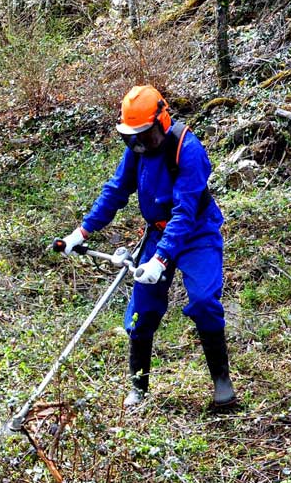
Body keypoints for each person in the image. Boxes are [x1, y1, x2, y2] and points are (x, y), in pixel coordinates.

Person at [58, 85, 236, 411]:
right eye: (133, 136)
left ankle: (222, 385)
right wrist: (81, 232)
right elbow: (116, 190)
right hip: (157, 233)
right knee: (142, 312)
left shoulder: (188, 149)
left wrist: (161, 258)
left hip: (196, 231)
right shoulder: (137, 150)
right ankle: (139, 388)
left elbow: (184, 212)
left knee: (203, 299)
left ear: (162, 120)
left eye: (146, 135)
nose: (140, 143)